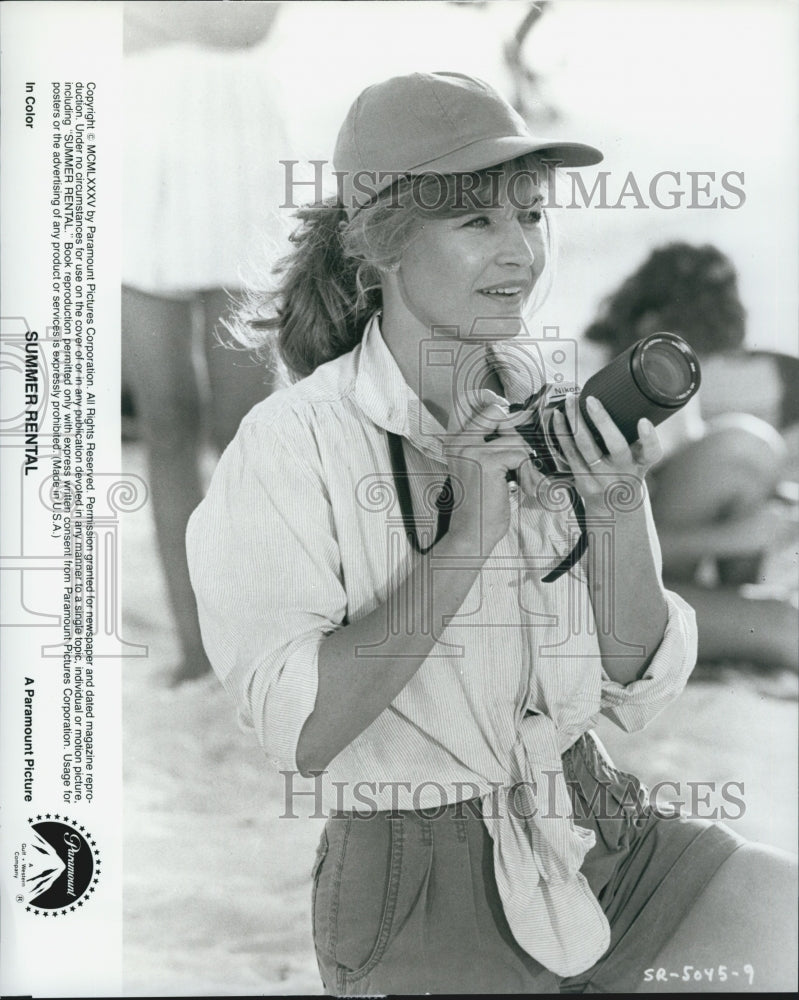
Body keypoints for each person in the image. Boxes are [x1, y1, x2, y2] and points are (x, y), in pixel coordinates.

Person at [186, 73, 797, 994]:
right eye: (476, 223)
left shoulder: (544, 406)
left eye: (530, 215)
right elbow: (304, 730)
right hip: (418, 886)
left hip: (601, 832)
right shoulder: (290, 446)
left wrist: (619, 510)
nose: (519, 251)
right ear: (381, 245)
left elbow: (636, 682)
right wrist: (468, 532)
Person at [122, 1, 286, 683]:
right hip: (133, 139)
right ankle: (195, 647)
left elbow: (250, 20)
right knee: (165, 421)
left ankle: (263, 639)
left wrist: (141, 21)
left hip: (232, 143)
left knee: (242, 428)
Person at [584, 243, 798, 672]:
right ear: (651, 322)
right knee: (787, 629)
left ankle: (730, 614)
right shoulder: (593, 395)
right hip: (602, 600)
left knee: (748, 450)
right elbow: (591, 550)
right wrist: (738, 537)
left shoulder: (669, 383)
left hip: (655, 579)